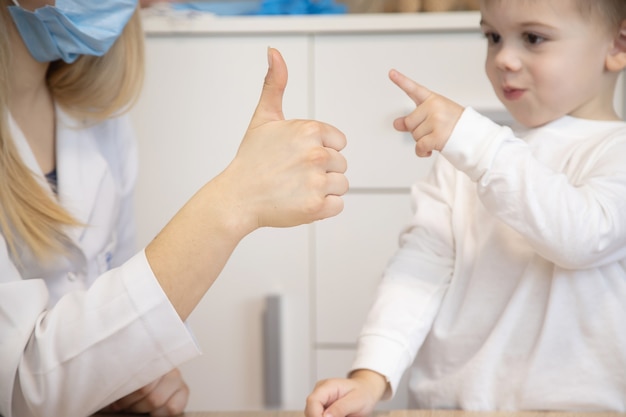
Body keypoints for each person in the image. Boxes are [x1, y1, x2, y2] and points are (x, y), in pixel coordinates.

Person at [0, 0, 348, 416]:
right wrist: (235, 199)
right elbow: (16, 386)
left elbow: (112, 296)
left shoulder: (99, 121)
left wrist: (137, 368)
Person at [306, 0, 626, 414]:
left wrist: (478, 143)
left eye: (533, 38)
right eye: (492, 37)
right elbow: (420, 267)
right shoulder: (469, 158)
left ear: (618, 45)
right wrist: (371, 376)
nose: (504, 59)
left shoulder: (611, 151)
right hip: (450, 406)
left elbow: (581, 237)